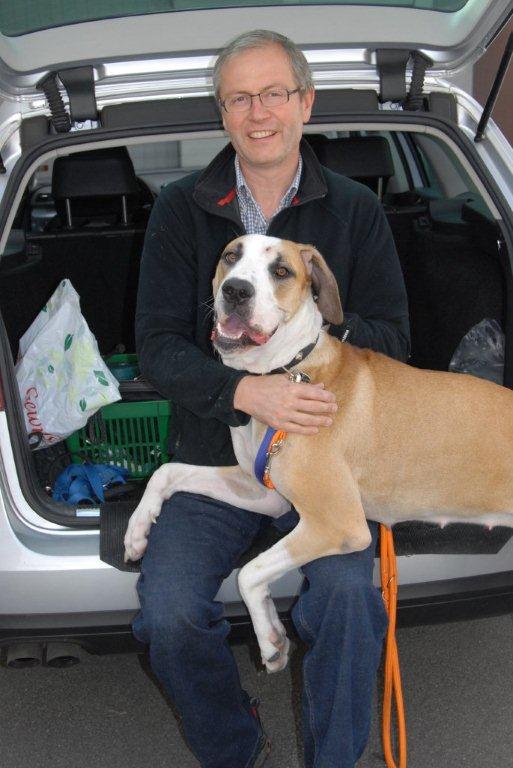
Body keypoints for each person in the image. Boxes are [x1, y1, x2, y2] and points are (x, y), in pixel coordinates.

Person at [132, 29, 410, 768]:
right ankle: (236, 746)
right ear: (222, 112)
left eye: (274, 94)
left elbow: (393, 339)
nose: (259, 113)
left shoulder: (353, 210)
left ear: (305, 102)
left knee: (348, 604)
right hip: (216, 450)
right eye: (239, 98)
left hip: (326, 454)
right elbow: (156, 345)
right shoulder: (181, 210)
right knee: (167, 617)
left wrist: (308, 342)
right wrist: (244, 390)